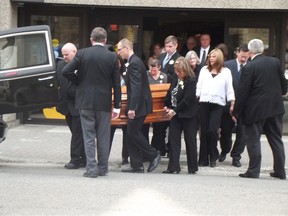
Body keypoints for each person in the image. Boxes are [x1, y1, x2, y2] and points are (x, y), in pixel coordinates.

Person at [62, 27, 121, 178]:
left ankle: (91, 168)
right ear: (105, 40)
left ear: (91, 39)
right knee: (103, 136)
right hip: (104, 101)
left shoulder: (82, 53)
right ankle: (103, 167)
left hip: (85, 100)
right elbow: (116, 84)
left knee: (88, 136)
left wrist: (79, 82)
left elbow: (66, 71)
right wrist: (117, 106)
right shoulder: (112, 57)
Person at [233, 39, 287, 180]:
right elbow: (283, 84)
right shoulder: (274, 62)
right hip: (275, 107)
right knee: (276, 139)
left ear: (250, 52)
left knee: (254, 140)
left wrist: (236, 111)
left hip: (255, 110)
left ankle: (253, 170)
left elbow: (242, 92)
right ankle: (280, 171)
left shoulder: (249, 67)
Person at [117, 38, 161, 173]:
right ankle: (136, 164)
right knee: (131, 133)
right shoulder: (132, 62)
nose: (118, 52)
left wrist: (132, 108)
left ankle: (153, 154)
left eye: (119, 49)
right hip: (139, 104)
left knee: (132, 132)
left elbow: (136, 87)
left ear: (126, 48)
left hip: (139, 105)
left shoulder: (135, 63)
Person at [196, 48, 235, 167]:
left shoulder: (226, 72)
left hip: (218, 104)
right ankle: (203, 159)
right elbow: (199, 86)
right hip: (204, 103)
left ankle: (213, 155)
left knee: (212, 130)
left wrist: (232, 102)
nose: (211, 58)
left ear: (219, 58)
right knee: (203, 132)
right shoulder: (204, 70)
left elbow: (229, 88)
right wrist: (197, 97)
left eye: (213, 57)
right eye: (210, 56)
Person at [162, 57, 199, 174]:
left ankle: (192, 167)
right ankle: (173, 166)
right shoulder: (175, 78)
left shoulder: (192, 80)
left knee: (190, 140)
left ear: (186, 70)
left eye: (180, 71)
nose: (178, 73)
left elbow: (187, 99)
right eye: (176, 71)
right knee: (173, 140)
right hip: (176, 114)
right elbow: (170, 92)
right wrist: (167, 105)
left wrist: (175, 110)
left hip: (189, 114)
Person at [56, 43, 86, 169]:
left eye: (67, 54)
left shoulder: (83, 66)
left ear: (75, 52)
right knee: (76, 132)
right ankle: (84, 158)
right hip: (66, 106)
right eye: (63, 54)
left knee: (77, 134)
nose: (64, 57)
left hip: (78, 105)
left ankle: (75, 159)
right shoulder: (60, 64)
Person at [219, 44, 249, 167]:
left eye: (246, 57)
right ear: (237, 53)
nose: (243, 59)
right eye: (242, 56)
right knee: (225, 131)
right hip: (227, 105)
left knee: (243, 133)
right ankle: (225, 149)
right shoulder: (227, 66)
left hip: (245, 107)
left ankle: (236, 156)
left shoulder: (252, 67)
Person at [142, 58, 168, 156]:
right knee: (144, 129)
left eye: (155, 70)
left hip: (159, 105)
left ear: (159, 68)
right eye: (151, 70)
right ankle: (145, 151)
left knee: (159, 129)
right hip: (147, 105)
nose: (153, 72)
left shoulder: (164, 76)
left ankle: (156, 149)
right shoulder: (145, 75)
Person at [110, 55, 129, 165]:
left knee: (126, 133)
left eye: (118, 63)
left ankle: (125, 157)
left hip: (125, 106)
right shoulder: (108, 75)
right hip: (112, 106)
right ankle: (104, 156)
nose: (117, 65)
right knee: (109, 132)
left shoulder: (126, 75)